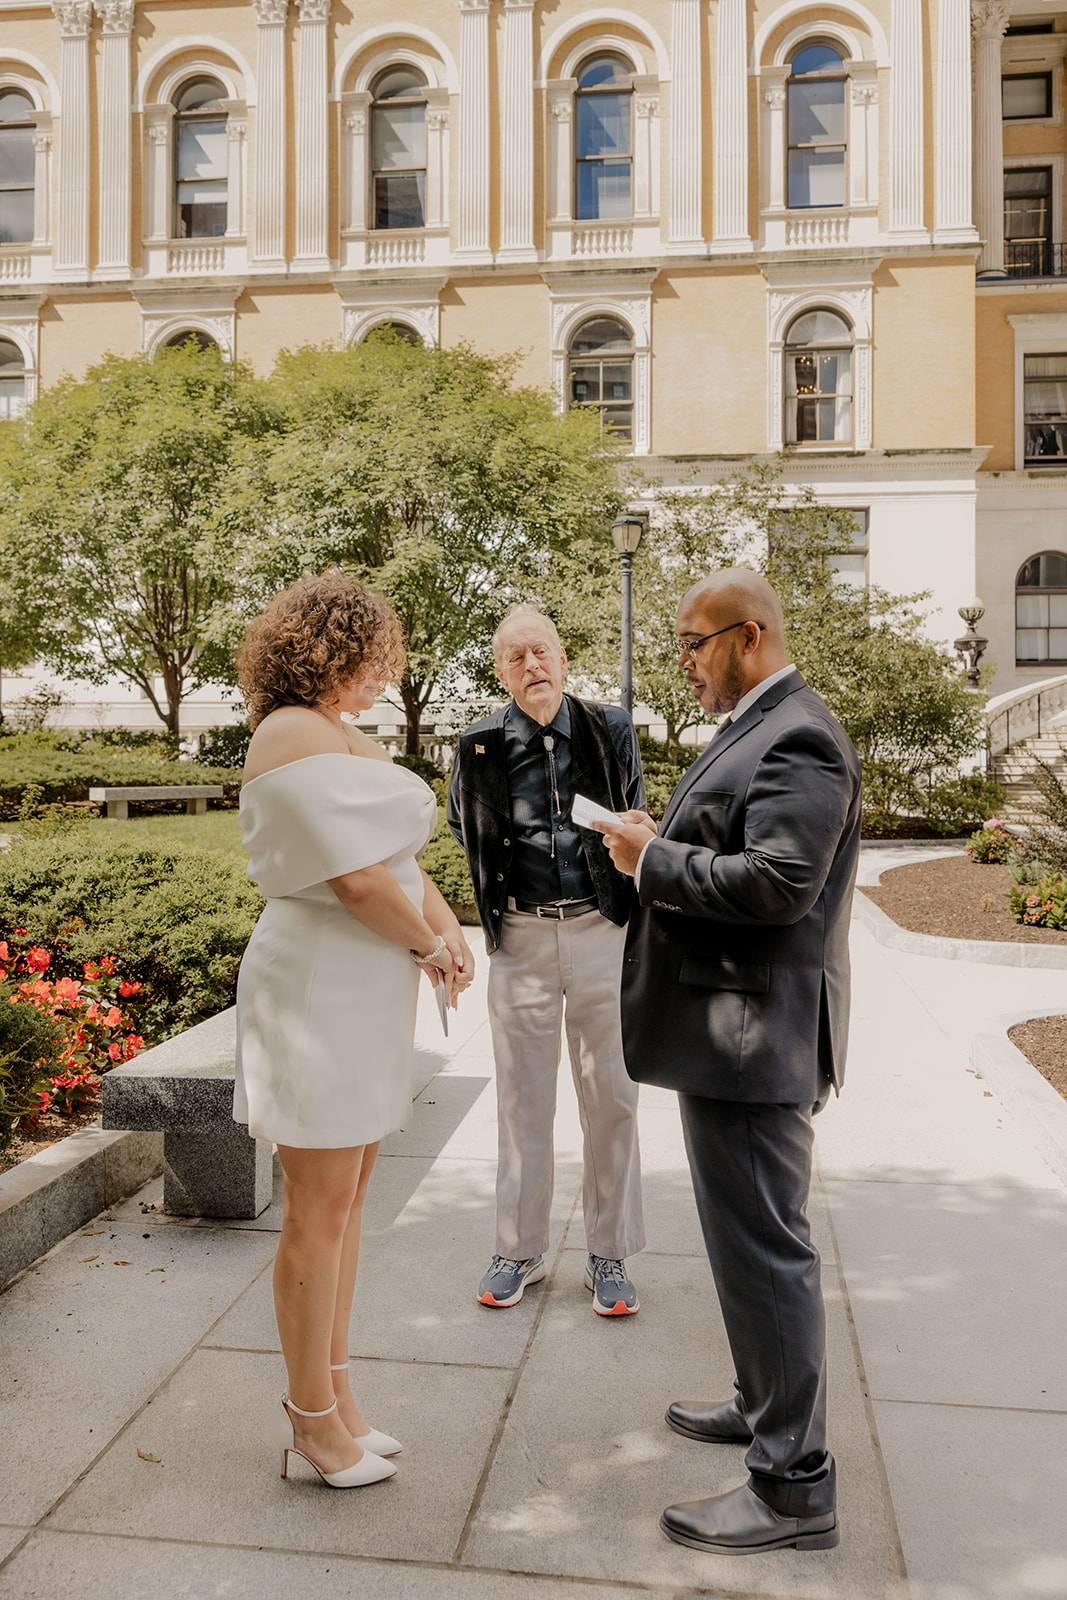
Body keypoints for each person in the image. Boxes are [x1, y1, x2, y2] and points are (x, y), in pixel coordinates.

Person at [597, 568, 861, 1554]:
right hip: (728, 1039)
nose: (683, 664)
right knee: (744, 1250)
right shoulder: (763, 722)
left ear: (747, 636)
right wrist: (653, 843)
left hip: (752, 1045)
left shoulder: (797, 732)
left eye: (691, 642)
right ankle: (762, 1404)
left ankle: (792, 1487)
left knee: (765, 1255)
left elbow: (779, 883)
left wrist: (648, 858)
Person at [233, 570, 476, 1489]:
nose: (381, 675)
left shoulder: (342, 734)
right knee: (317, 1212)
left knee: (350, 1201)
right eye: (370, 658)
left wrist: (445, 929)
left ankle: (338, 1397)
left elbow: (396, 864)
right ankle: (310, 1425)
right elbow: (354, 881)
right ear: (327, 650)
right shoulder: (291, 728)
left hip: (363, 980)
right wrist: (427, 944)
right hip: (319, 988)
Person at [447, 607, 647, 1314]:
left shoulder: (609, 727)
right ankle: (517, 1250)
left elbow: (633, 813)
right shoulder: (476, 745)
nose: (530, 665)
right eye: (514, 657)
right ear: (500, 673)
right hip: (522, 939)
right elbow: (460, 825)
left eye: (541, 652)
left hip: (601, 929)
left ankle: (610, 1255)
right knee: (522, 1102)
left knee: (613, 1101)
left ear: (562, 659)